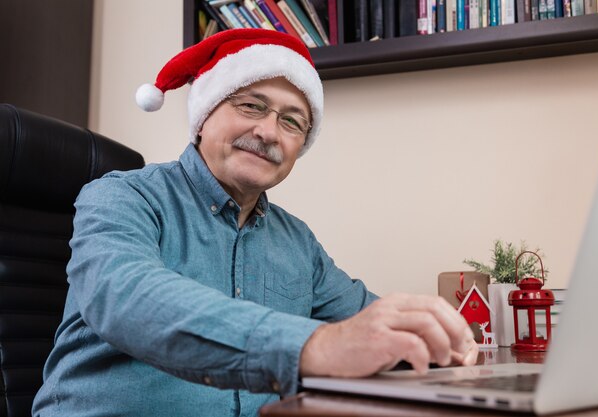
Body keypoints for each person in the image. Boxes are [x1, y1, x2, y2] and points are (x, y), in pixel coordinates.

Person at [32, 29, 477, 417]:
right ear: (203, 118)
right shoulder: (122, 195)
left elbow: (367, 321)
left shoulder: (297, 241)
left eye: (292, 122)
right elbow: (125, 297)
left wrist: (444, 338)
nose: (269, 132)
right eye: (251, 106)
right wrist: (317, 347)